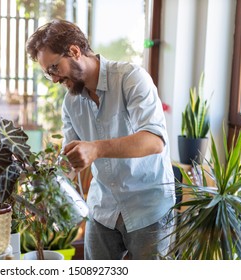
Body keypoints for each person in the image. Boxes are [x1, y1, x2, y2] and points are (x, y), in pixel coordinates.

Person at [26, 19, 175, 260]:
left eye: (54, 68)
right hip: (103, 209)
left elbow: (154, 140)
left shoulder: (131, 79)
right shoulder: (71, 103)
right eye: (47, 74)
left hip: (148, 209)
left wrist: (96, 149)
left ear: (74, 51)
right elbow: (71, 161)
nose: (54, 79)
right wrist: (47, 192)